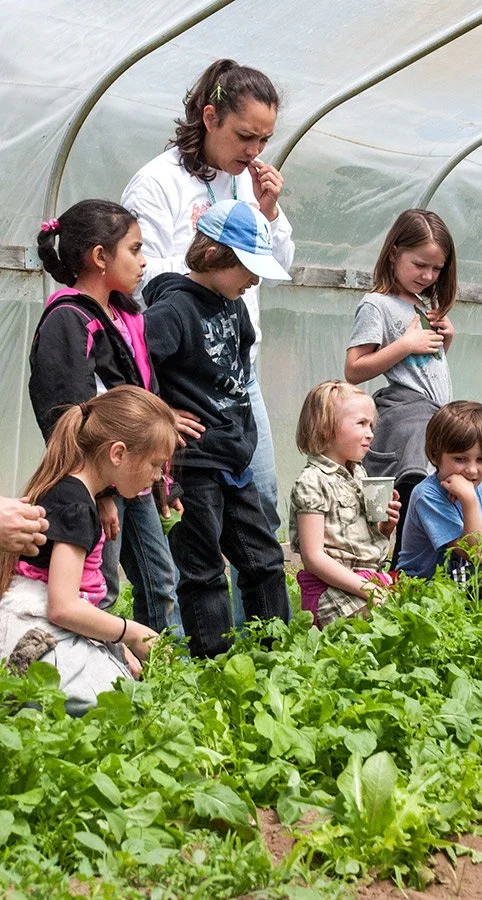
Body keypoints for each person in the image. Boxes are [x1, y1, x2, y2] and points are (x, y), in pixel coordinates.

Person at [122, 58, 294, 623]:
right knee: (197, 523)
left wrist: (263, 216)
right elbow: (143, 276)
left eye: (265, 138)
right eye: (245, 135)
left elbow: (278, 263)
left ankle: (259, 635)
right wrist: (217, 249)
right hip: (185, 381)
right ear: (210, 116)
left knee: (258, 506)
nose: (254, 150)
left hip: (238, 371)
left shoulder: (249, 181)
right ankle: (196, 640)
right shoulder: (157, 182)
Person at [141, 200, 292, 658]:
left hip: (234, 455)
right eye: (248, 267)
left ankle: (277, 654)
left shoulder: (234, 305)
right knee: (203, 568)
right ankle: (214, 664)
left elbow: (239, 369)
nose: (255, 279)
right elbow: (134, 368)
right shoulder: (172, 310)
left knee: (264, 560)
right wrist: (162, 416)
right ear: (213, 256)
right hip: (193, 463)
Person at [29, 200, 187, 635]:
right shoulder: (69, 318)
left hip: (131, 469)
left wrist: (161, 475)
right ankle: (87, 661)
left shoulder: (126, 315)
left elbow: (144, 391)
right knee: (101, 582)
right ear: (100, 257)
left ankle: (158, 663)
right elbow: (63, 410)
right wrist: (95, 492)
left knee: (160, 578)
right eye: (134, 250)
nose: (143, 261)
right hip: (100, 476)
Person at [0, 387, 171, 715]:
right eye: (154, 464)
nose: (158, 476)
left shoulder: (73, 492)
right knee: (125, 706)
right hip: (34, 630)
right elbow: (63, 608)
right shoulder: (78, 506)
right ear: (118, 453)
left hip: (31, 621)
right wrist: (130, 631)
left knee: (123, 681)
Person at [345, 209, 457, 534]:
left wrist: (445, 340)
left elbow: (422, 368)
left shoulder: (422, 304)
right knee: (411, 482)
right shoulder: (376, 304)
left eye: (437, 268)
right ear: (394, 252)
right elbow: (353, 369)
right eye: (420, 265)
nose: (427, 275)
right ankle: (400, 559)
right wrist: (405, 344)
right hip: (406, 409)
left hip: (433, 408)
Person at [289, 381, 400, 628]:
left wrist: (386, 528)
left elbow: (365, 542)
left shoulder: (359, 473)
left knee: (409, 616)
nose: (370, 433)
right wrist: (367, 589)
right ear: (327, 427)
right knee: (387, 624)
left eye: (371, 425)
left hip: (365, 581)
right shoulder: (312, 481)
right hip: (330, 590)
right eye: (361, 423)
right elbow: (313, 557)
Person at [395, 401, 482, 600]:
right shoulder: (427, 495)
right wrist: (469, 501)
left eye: (481, 459)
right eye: (460, 459)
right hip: (423, 587)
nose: (472, 470)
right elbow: (475, 554)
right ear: (435, 455)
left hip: (462, 583)